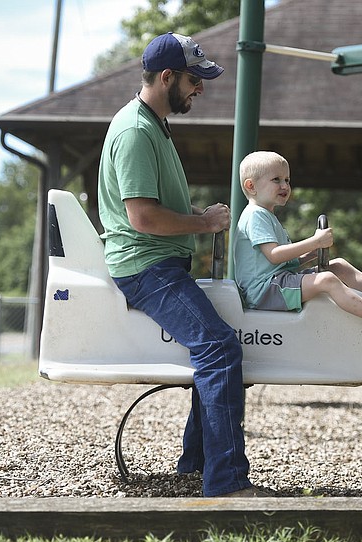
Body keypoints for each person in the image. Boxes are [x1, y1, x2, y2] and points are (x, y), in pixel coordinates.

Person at [98, 32, 263, 497]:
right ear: (167, 76)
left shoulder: (153, 124)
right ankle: (227, 485)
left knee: (216, 348)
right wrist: (203, 222)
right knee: (220, 348)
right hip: (146, 267)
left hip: (157, 264)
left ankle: (195, 465)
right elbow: (143, 218)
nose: (201, 89)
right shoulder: (134, 131)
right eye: (195, 79)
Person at [233, 151, 362, 344]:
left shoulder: (267, 216)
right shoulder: (256, 215)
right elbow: (274, 256)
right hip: (263, 291)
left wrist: (310, 255)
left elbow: (281, 261)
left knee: (339, 266)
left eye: (287, 180)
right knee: (328, 280)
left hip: (276, 283)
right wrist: (315, 241)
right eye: (276, 180)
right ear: (251, 186)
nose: (285, 186)